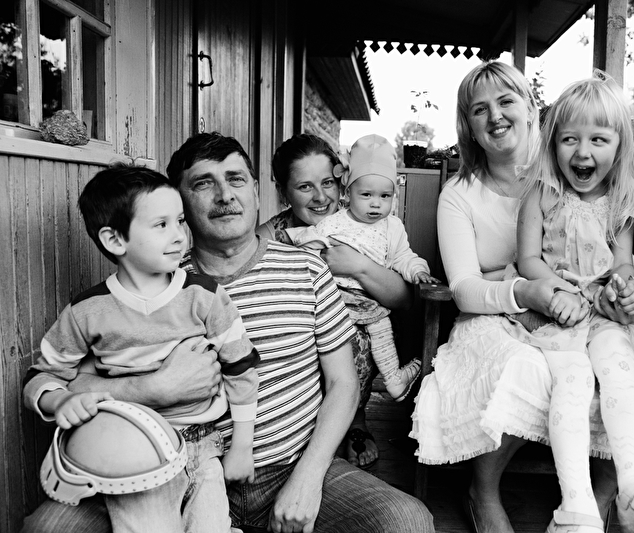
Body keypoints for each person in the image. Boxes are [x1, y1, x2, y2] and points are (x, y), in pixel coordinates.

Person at [21, 132, 434, 533]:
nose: (224, 195)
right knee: (49, 528)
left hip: (291, 466)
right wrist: (152, 388)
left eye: (236, 179)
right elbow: (72, 382)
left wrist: (307, 479)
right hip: (168, 472)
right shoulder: (152, 280)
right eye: (204, 184)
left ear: (256, 190)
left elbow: (344, 383)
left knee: (405, 520)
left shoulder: (307, 268)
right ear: (180, 202)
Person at [409, 60, 634, 533]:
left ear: (530, 109)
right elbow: (463, 287)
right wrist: (526, 291)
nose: (495, 116)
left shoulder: (573, 173)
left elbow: (613, 257)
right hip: (498, 309)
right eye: (479, 109)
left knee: (615, 371)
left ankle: (603, 500)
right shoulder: (459, 194)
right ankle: (483, 493)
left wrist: (622, 295)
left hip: (581, 307)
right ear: (469, 127)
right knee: (529, 367)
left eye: (506, 101)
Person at [515, 73, 634, 532]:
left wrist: (625, 288)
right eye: (570, 139)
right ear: (553, 143)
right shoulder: (541, 193)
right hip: (556, 311)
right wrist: (560, 292)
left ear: (619, 146)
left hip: (601, 311)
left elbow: (622, 263)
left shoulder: (621, 201)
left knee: (618, 364)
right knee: (574, 380)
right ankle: (576, 508)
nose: (582, 152)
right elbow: (527, 260)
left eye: (598, 140)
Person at [22, 165, 260, 533]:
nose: (179, 235)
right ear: (115, 240)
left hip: (205, 449)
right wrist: (60, 400)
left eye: (180, 221)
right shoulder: (86, 312)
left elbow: (241, 368)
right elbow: (41, 376)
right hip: (133, 456)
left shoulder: (205, 296)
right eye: (161, 224)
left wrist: (242, 446)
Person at [258, 133, 414, 467]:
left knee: (353, 333)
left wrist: (358, 265)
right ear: (283, 191)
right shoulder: (272, 235)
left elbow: (403, 301)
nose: (320, 197)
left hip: (353, 333)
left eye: (327, 183)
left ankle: (354, 417)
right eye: (305, 187)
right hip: (295, 337)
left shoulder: (360, 220)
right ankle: (298, 425)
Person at [288, 134, 436, 402]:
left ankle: (393, 380)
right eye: (366, 195)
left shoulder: (392, 227)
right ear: (348, 193)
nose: (376, 203)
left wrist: (418, 271)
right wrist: (296, 241)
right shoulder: (335, 222)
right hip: (334, 300)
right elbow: (310, 239)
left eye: (385, 195)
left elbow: (403, 256)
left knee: (382, 332)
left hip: (370, 300)